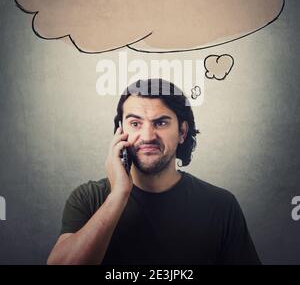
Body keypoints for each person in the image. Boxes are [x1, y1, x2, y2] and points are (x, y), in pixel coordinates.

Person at [47, 78, 261, 265]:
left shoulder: (221, 205)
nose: (148, 136)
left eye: (160, 122)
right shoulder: (89, 198)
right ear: (120, 132)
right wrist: (119, 195)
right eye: (135, 123)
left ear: (182, 132)